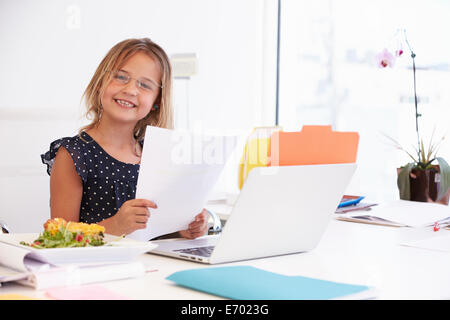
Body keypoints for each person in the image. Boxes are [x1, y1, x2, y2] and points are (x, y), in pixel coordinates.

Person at [41, 38, 208, 240]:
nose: (130, 90)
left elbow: (161, 227)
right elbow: (60, 237)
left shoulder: (157, 155)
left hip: (153, 267)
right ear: (101, 82)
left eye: (145, 85)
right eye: (121, 77)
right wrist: (114, 226)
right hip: (97, 269)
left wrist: (186, 228)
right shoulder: (73, 155)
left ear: (156, 101)